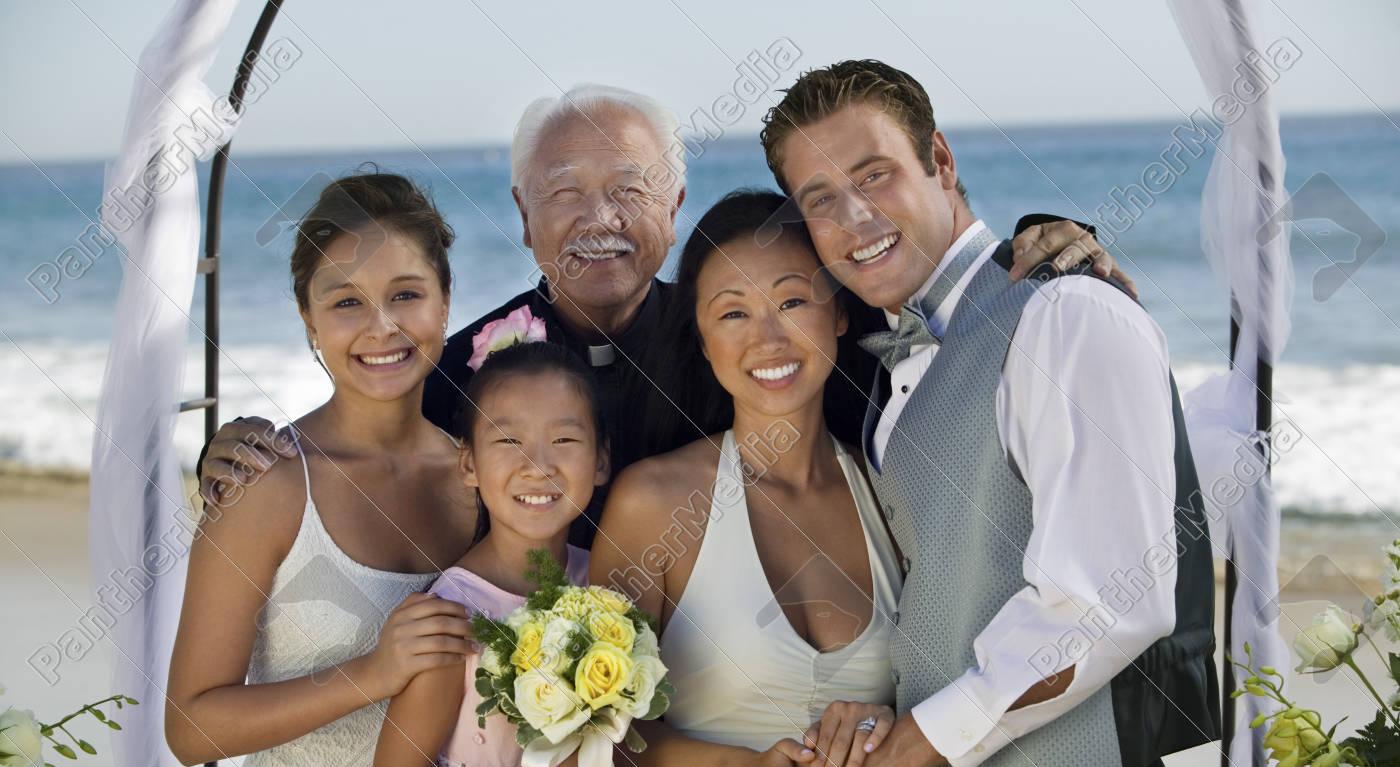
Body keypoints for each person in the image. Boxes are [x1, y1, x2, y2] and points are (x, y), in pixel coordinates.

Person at [194, 86, 1130, 548]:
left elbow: (930, 344)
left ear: (674, 207)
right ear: (521, 215)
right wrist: (236, 450)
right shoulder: (464, 370)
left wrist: (1052, 247)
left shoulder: (758, 337)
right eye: (564, 192)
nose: (599, 219)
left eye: (629, 190)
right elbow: (368, 447)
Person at [761, 60, 1219, 767]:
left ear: (940, 159)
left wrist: (904, 751)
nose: (854, 218)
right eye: (820, 198)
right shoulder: (878, 368)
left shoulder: (1066, 315)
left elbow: (1107, 602)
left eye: (875, 175)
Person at [165, 173, 478, 767]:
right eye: (345, 301)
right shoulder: (268, 483)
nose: (382, 326)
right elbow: (191, 727)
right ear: (308, 320)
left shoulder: (484, 479)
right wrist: (371, 673)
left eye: (407, 293)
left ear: (444, 302)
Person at [590, 190, 901, 767]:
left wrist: (888, 724)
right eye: (733, 312)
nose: (767, 337)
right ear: (701, 337)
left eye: (792, 301)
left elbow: (952, 685)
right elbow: (597, 722)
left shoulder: (891, 495)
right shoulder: (654, 502)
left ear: (839, 313)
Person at [369, 341, 653, 767]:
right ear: (468, 463)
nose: (538, 464)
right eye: (507, 441)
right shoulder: (450, 616)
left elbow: (645, 745)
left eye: (565, 440)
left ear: (601, 460)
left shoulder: (609, 591)